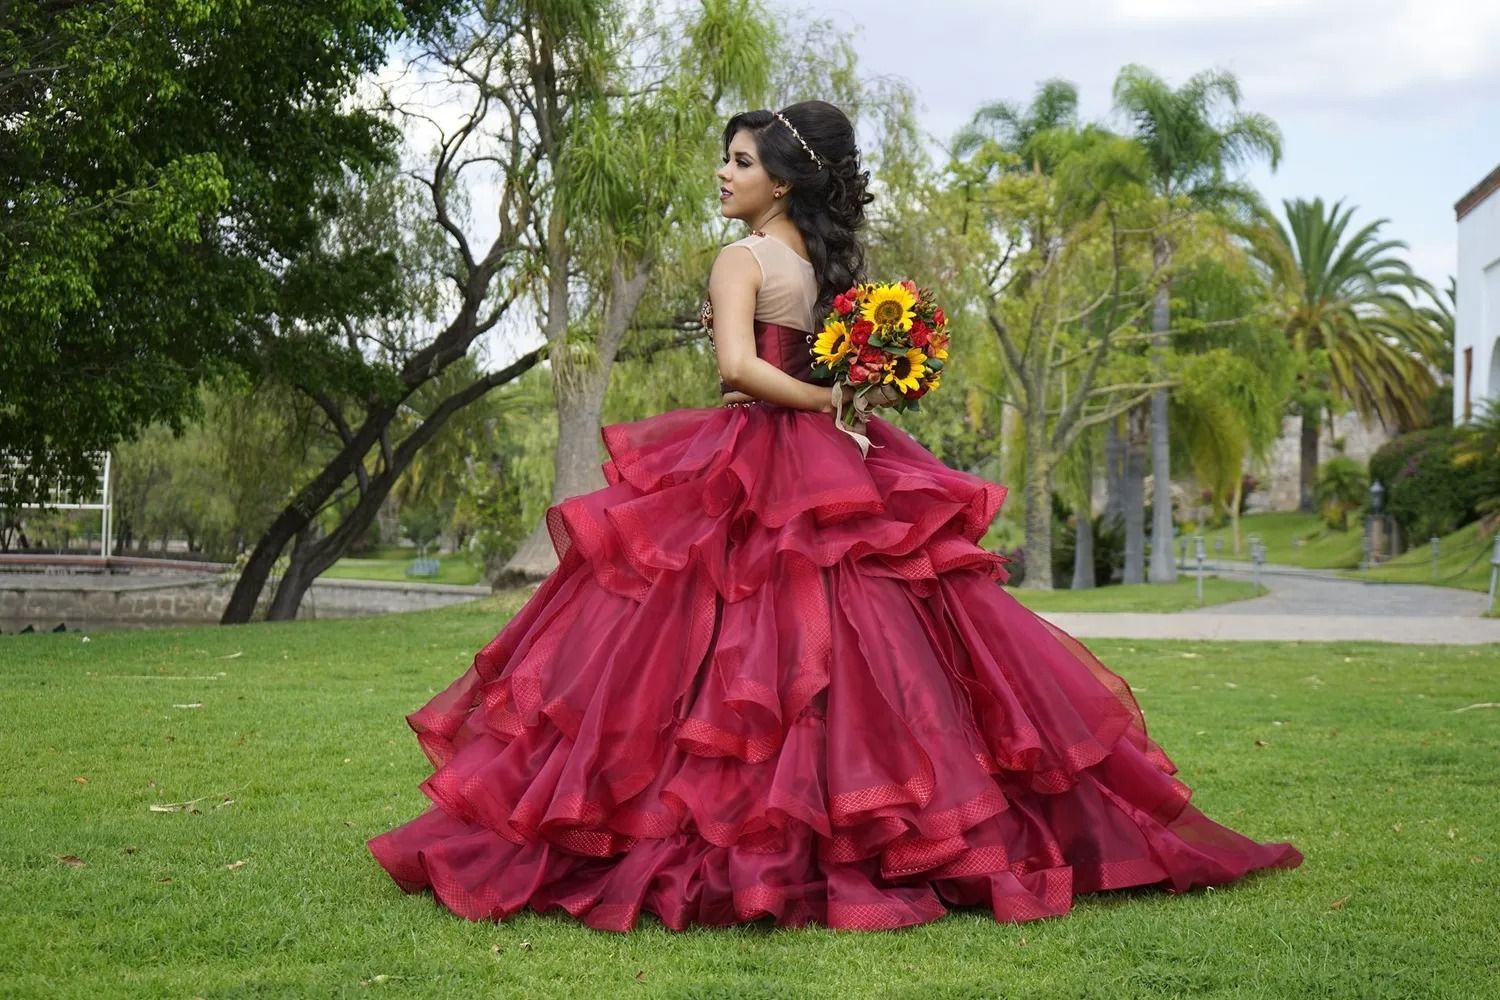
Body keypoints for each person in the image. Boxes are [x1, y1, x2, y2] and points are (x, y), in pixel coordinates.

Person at [366, 100, 1303, 932]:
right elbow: (814, 358)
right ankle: (870, 820)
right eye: (726, 161)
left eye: (738, 162)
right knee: (846, 641)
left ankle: (726, 828)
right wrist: (842, 403)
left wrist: (821, 405)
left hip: (765, 447)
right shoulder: (819, 264)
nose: (724, 176)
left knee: (713, 642)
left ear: (781, 179)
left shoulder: (742, 256)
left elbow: (736, 368)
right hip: (822, 455)